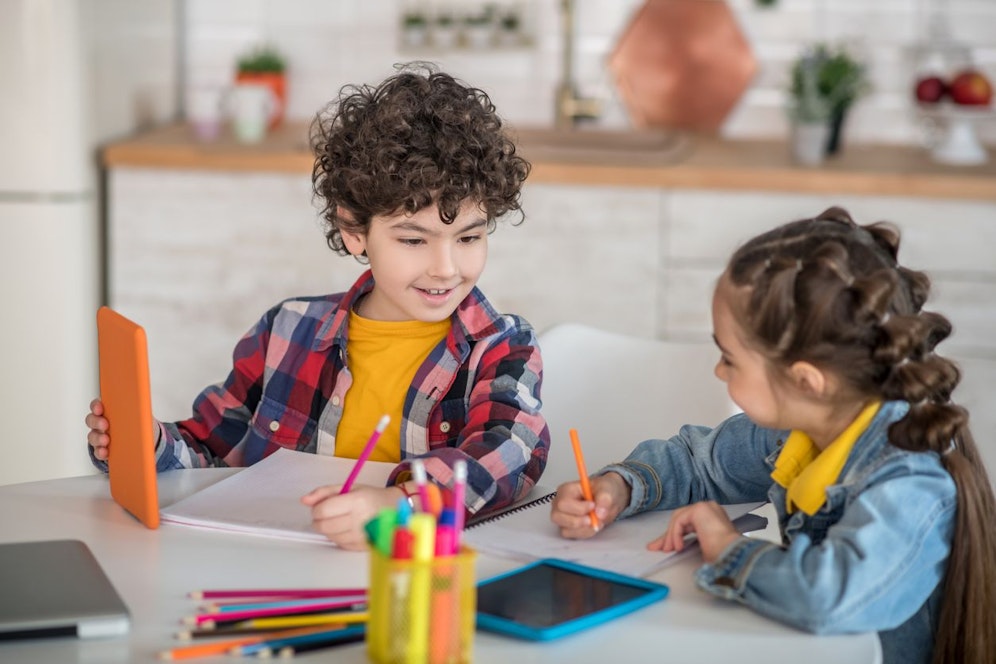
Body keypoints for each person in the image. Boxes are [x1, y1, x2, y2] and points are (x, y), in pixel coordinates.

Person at [86, 63, 549, 549]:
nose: (446, 267)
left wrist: (403, 504)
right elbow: (209, 449)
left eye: (470, 237)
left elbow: (511, 453)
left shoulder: (499, 347)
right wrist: (143, 445)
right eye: (414, 240)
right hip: (273, 566)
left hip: (405, 581)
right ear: (354, 232)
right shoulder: (286, 331)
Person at [550, 207, 996, 664]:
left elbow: (831, 596)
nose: (718, 369)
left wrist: (728, 548)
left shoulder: (909, 481)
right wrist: (621, 487)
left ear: (805, 380)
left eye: (730, 358)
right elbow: (699, 461)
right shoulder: (807, 429)